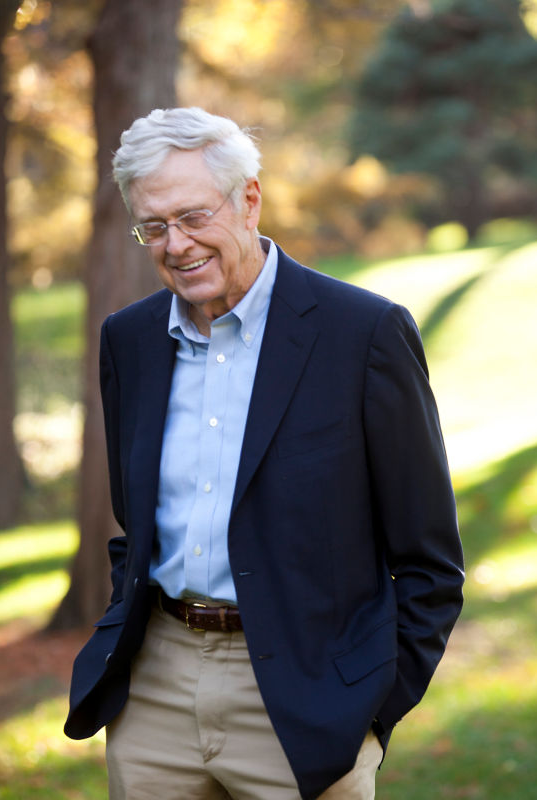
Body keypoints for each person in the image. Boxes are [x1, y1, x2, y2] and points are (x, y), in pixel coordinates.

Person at [64, 107, 464, 800]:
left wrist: (368, 711)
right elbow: (137, 526)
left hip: (307, 698)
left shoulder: (364, 334)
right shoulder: (127, 341)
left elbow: (430, 563)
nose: (176, 244)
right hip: (156, 692)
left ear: (249, 200)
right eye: (153, 227)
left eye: (193, 217)